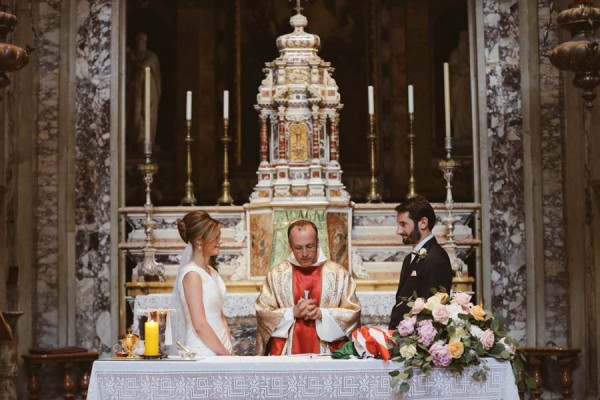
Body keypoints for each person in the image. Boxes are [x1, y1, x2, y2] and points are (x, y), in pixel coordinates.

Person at [255, 219, 361, 355]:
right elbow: (263, 313)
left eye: (310, 246)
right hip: (286, 352)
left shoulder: (338, 274)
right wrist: (292, 313)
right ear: (290, 245)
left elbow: (353, 312)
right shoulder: (277, 275)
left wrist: (322, 314)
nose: (304, 254)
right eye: (298, 248)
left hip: (329, 352)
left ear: (317, 242)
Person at [170, 211, 233, 356]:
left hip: (222, 346)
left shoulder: (212, 272)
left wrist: (228, 348)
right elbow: (199, 324)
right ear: (199, 241)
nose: (220, 241)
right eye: (215, 237)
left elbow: (220, 315)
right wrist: (224, 353)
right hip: (204, 349)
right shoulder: (192, 275)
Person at [388, 196, 453, 330]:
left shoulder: (436, 259)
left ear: (423, 223)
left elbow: (430, 311)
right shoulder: (409, 259)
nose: (398, 231)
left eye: (403, 224)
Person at [129, 32, 161, 145]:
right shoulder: (133, 56)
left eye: (142, 42)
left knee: (147, 113)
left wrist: (132, 59)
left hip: (149, 90)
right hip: (137, 90)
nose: (139, 45)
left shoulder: (151, 56)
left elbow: (143, 65)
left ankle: (147, 140)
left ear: (145, 43)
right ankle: (137, 138)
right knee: (136, 112)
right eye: (138, 43)